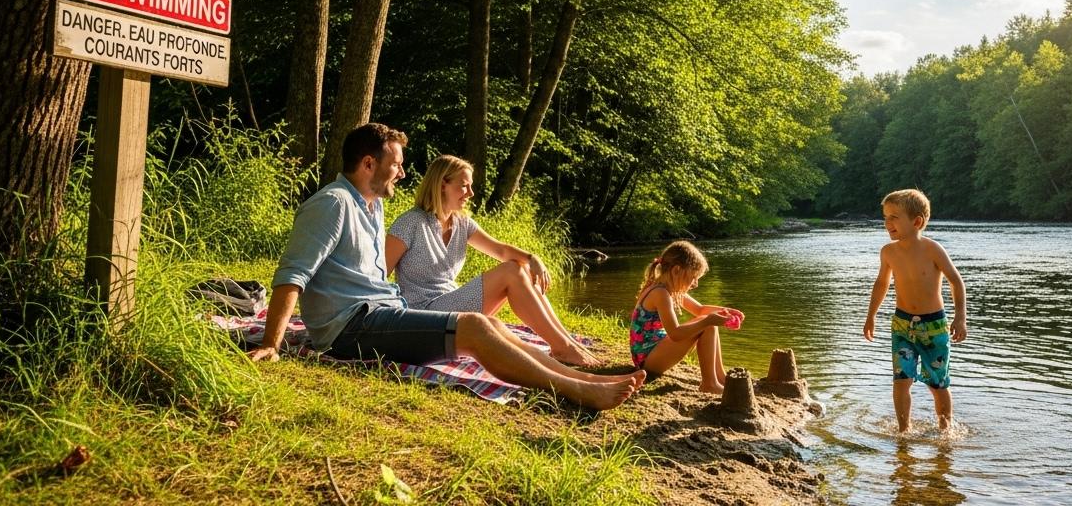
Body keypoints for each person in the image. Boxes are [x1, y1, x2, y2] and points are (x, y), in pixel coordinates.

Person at [248, 123, 641, 411]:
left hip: (384, 312)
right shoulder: (333, 203)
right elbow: (292, 275)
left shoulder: (373, 205)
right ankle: (577, 391)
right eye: (396, 163)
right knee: (473, 326)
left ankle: (585, 377)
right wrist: (271, 343)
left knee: (494, 325)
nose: (402, 172)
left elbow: (376, 275)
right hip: (350, 327)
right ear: (369, 164)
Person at [385, 155, 599, 367]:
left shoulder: (462, 223)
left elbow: (500, 250)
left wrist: (533, 258)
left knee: (520, 268)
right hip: (423, 317)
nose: (471, 193)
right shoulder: (410, 223)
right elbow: (379, 276)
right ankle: (562, 347)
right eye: (464, 186)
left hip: (450, 305)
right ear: (443, 185)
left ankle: (566, 343)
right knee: (511, 272)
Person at [862, 188, 967, 432]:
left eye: (894, 217)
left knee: (937, 383)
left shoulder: (932, 249)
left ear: (917, 221)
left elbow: (956, 281)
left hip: (934, 326)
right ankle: (903, 431)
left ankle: (945, 431)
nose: (887, 223)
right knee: (901, 380)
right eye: (885, 217)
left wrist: (960, 317)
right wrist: (871, 316)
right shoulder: (888, 252)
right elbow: (881, 284)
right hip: (902, 325)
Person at [628, 240, 743, 394]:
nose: (695, 284)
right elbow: (675, 334)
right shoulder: (660, 293)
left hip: (653, 351)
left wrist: (727, 310)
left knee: (707, 321)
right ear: (676, 271)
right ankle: (709, 384)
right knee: (707, 323)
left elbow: (700, 309)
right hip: (648, 359)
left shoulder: (667, 288)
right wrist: (709, 320)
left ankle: (720, 377)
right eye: (694, 277)